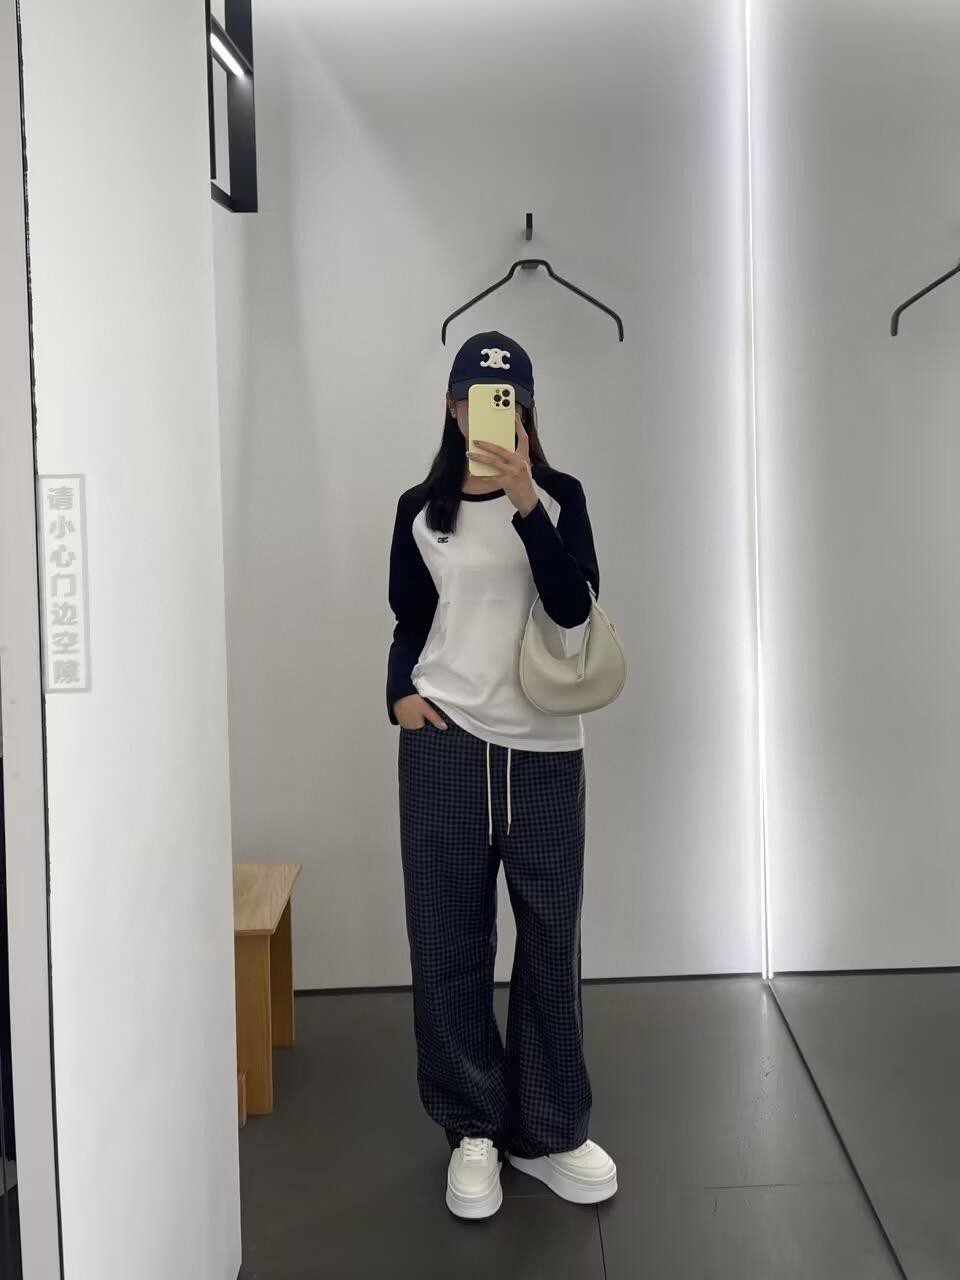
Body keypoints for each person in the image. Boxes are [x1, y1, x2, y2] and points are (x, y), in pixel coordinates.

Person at [386, 330, 617, 1219]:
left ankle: (548, 1132)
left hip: (546, 748)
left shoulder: (560, 496)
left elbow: (573, 612)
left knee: (551, 940)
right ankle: (473, 1127)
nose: (490, 412)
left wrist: (526, 503)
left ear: (524, 410)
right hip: (445, 743)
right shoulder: (420, 509)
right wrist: (399, 694)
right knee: (448, 941)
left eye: (507, 399)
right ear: (452, 409)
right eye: (474, 399)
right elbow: (410, 619)